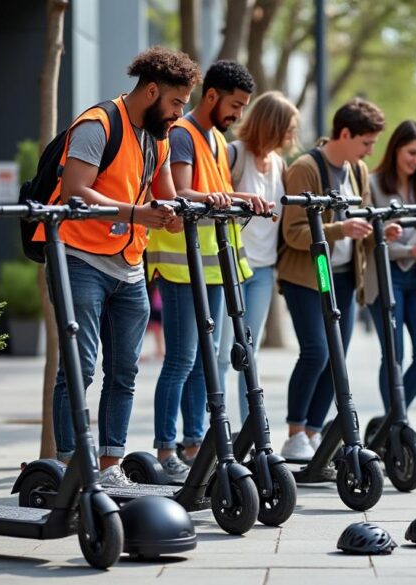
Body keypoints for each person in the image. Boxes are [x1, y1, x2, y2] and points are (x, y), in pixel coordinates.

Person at [38, 47, 196, 486]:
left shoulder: (159, 137)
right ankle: (70, 466)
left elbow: (163, 196)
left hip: (128, 266)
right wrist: (134, 213)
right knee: (80, 366)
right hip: (78, 257)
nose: (180, 112)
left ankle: (109, 468)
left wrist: (183, 210)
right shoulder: (98, 124)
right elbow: (75, 190)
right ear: (151, 91)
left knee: (124, 370)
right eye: (177, 102)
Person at [147, 60, 270, 481]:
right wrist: (228, 195)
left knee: (203, 362)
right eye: (235, 105)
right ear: (212, 96)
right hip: (184, 269)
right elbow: (182, 193)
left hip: (214, 269)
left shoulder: (216, 138)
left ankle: (194, 444)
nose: (238, 114)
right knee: (181, 359)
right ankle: (165, 450)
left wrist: (241, 198)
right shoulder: (182, 134)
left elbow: (213, 196)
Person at [278, 98, 398, 459]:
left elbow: (359, 221)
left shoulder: (357, 169)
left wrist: (379, 232)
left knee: (337, 358)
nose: (369, 151)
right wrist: (338, 229)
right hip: (309, 276)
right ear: (344, 134)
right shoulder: (305, 168)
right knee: (315, 351)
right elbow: (294, 232)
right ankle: (294, 432)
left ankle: (313, 433)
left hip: (344, 277)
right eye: (366, 142)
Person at [214, 91, 300, 423]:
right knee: (222, 355)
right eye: (288, 128)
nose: (292, 136)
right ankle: (216, 431)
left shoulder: (279, 163)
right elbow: (216, 198)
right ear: (272, 125)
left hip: (263, 269)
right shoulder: (234, 154)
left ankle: (251, 433)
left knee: (249, 355)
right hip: (229, 265)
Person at [363, 120, 416, 409]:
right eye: (410, 153)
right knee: (393, 355)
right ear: (395, 149)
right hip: (385, 277)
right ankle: (396, 423)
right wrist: (400, 243)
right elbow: (367, 236)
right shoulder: (371, 184)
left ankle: (393, 420)